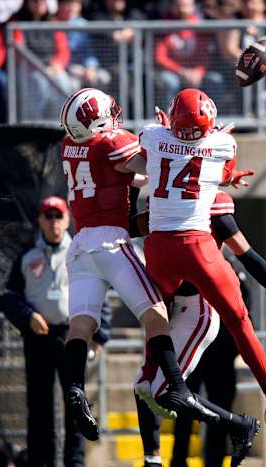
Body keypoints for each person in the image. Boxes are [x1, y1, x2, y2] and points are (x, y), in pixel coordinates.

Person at [137, 88, 266, 429]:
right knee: (238, 321)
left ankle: (147, 375)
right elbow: (214, 168)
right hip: (196, 246)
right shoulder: (222, 145)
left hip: (157, 248)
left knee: (157, 315)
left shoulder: (153, 134)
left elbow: (158, 154)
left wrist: (165, 132)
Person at [58, 87, 221, 443]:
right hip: (111, 242)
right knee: (155, 314)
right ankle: (177, 386)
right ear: (99, 119)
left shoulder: (70, 147)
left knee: (80, 325)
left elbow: (123, 174)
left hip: (80, 244)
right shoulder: (110, 141)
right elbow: (154, 164)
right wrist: (164, 136)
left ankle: (74, 387)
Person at [133, 187, 266, 467]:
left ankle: (240, 424)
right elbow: (126, 225)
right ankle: (153, 458)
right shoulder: (162, 198)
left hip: (197, 312)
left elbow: (248, 256)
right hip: (171, 308)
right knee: (144, 385)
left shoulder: (212, 204)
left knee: (165, 389)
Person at [2, 195, 112, 467]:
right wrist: (27, 316)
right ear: (40, 220)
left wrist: (99, 336)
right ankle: (42, 462)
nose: (53, 222)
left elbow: (100, 291)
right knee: (39, 407)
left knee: (76, 404)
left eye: (58, 216)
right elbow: (10, 296)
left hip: (72, 336)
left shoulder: (79, 253)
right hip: (37, 337)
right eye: (48, 216)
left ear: (67, 220)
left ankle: (74, 462)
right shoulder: (27, 256)